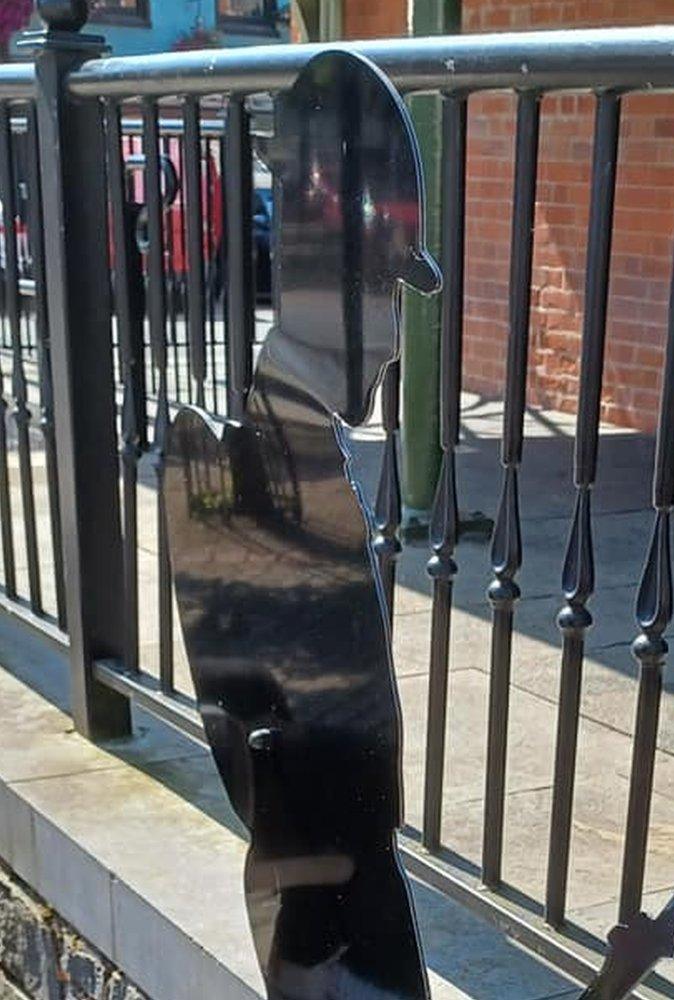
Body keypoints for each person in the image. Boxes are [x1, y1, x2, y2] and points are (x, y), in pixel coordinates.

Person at [165, 49, 440, 1000]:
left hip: (356, 891)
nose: (399, 335)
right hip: (327, 917)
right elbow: (252, 737)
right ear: (335, 290)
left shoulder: (310, 451)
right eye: (386, 294)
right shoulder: (245, 469)